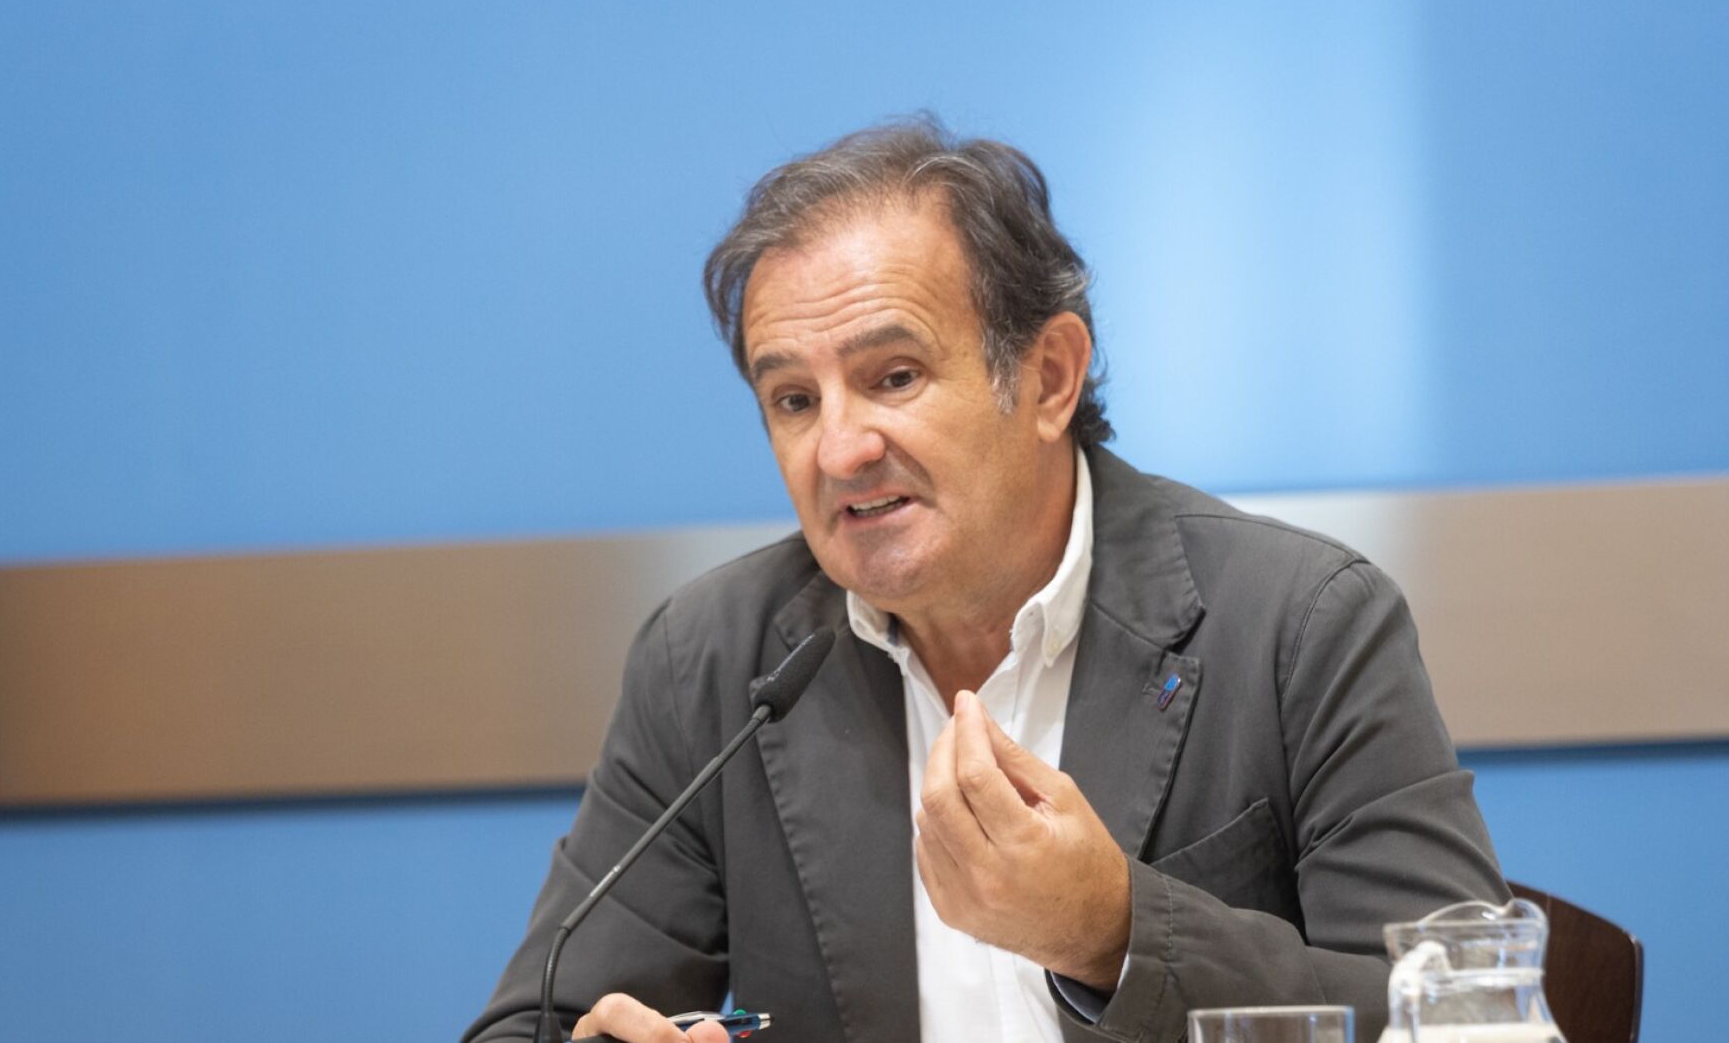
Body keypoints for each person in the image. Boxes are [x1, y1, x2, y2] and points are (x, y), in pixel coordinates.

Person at [462, 118, 1507, 1043]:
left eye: (893, 376)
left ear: (1048, 377)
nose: (839, 450)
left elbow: (1464, 1019)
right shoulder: (711, 662)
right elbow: (538, 1020)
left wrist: (1115, 932)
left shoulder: (1298, 625)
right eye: (793, 400)